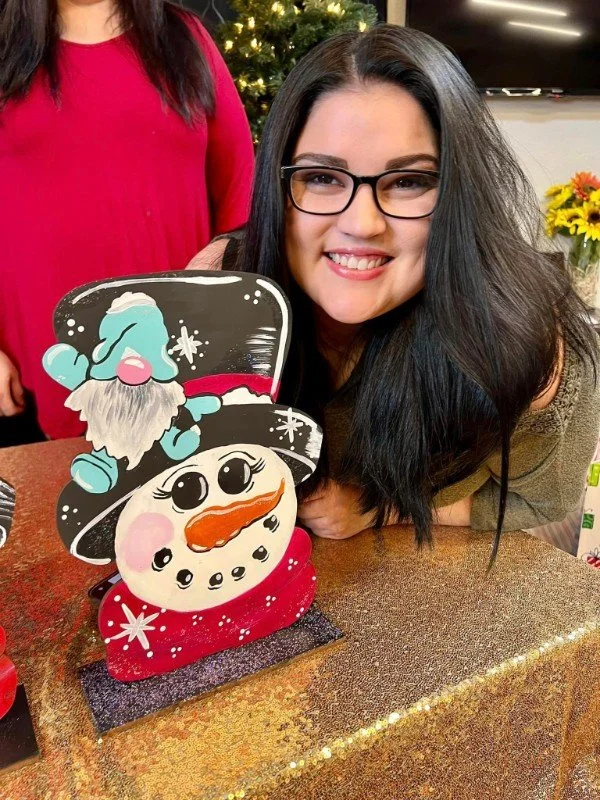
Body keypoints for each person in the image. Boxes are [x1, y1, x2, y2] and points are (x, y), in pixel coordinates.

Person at [196, 24, 600, 549]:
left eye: (409, 181)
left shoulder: (521, 338)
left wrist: (380, 507)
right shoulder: (219, 288)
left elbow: (543, 501)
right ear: (279, 185)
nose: (361, 224)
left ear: (459, 195)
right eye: (321, 177)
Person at [0, 0, 254, 443]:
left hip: (182, 355)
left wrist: (222, 276)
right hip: (33, 380)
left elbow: (242, 190)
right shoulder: (4, 44)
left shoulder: (184, 39)